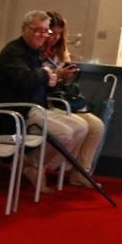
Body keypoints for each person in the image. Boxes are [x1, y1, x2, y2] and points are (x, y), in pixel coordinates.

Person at [0, 10, 89, 191]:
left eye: (46, 31)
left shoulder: (35, 52)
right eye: (37, 30)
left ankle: (34, 164)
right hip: (17, 112)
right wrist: (47, 73)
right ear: (24, 30)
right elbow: (25, 82)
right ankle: (33, 166)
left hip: (37, 107)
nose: (42, 35)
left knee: (82, 128)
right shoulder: (13, 52)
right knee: (65, 134)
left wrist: (56, 78)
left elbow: (40, 84)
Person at [40, 11, 105, 181]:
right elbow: (40, 79)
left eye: (59, 33)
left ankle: (81, 171)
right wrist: (57, 74)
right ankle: (51, 166)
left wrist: (69, 73)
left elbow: (65, 80)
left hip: (64, 98)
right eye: (52, 32)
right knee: (81, 125)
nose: (55, 37)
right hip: (49, 101)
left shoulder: (61, 51)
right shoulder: (37, 52)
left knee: (97, 126)